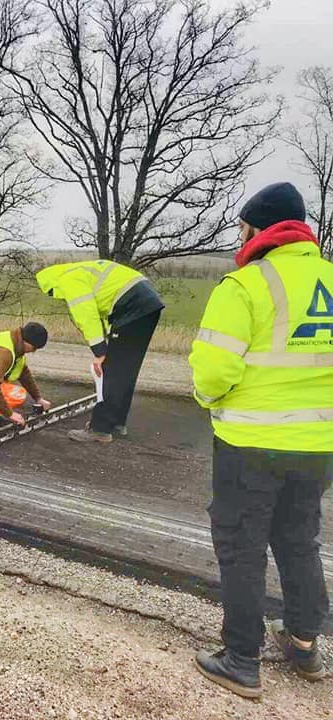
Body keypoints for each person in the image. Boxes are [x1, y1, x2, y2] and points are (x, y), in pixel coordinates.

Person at [189, 182, 333, 699]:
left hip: (250, 444)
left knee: (241, 545)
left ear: (257, 229)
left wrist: (214, 402)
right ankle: (304, 645)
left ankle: (242, 659)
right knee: (299, 540)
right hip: (320, 446)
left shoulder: (245, 286)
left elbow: (210, 370)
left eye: (242, 227)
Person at [36, 259, 164, 443]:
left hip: (132, 306)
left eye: (51, 292)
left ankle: (100, 429)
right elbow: (104, 314)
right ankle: (117, 423)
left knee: (112, 370)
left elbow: (87, 317)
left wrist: (100, 352)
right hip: (146, 304)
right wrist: (106, 344)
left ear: (51, 283)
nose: (54, 296)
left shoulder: (70, 280)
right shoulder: (82, 271)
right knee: (126, 369)